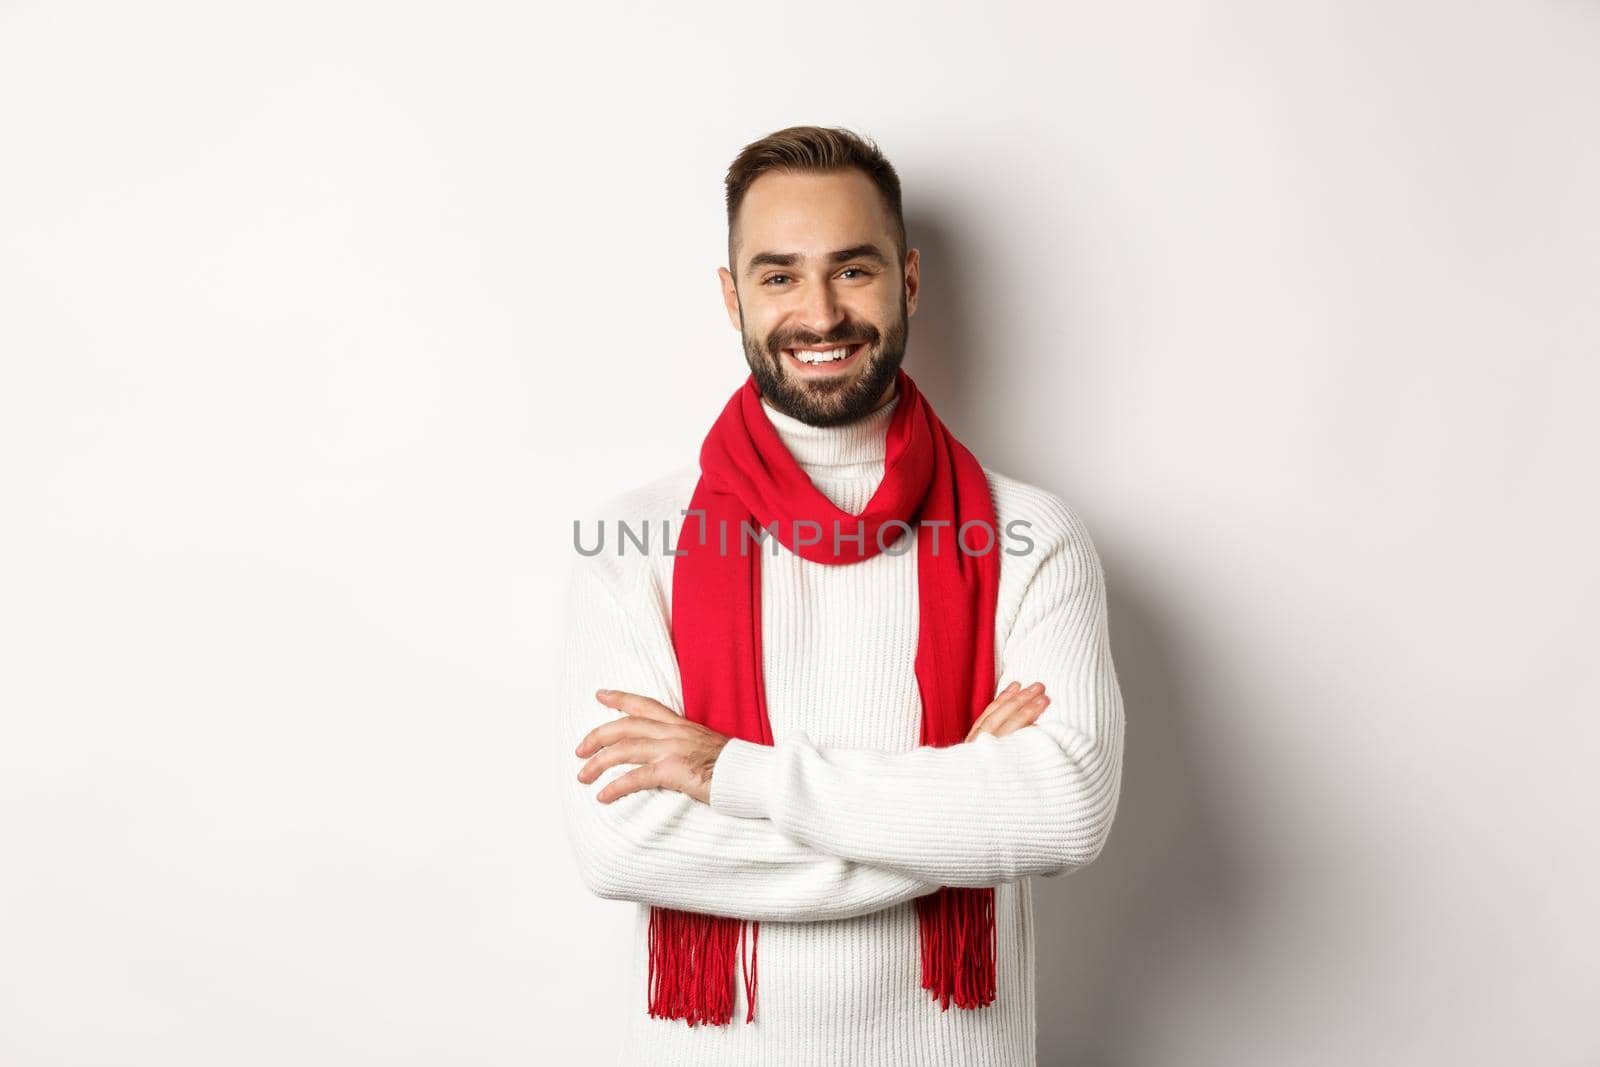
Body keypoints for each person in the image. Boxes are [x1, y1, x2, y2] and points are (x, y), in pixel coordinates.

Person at [557, 124, 1125, 1066]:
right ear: (733, 296)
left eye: (851, 270)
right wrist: (954, 820)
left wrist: (729, 775)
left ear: (907, 280)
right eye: (779, 276)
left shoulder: (1031, 536)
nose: (819, 314)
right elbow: (624, 843)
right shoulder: (634, 545)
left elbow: (1063, 808)